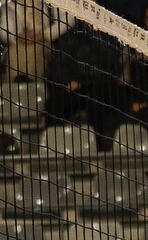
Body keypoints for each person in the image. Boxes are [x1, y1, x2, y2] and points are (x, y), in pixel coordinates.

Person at [45, 18, 129, 152]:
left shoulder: (111, 37)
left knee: (97, 102)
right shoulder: (70, 36)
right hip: (75, 88)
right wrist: (68, 81)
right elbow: (59, 63)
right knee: (53, 104)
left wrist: (96, 36)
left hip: (101, 87)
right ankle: (55, 147)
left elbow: (113, 65)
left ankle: (100, 149)